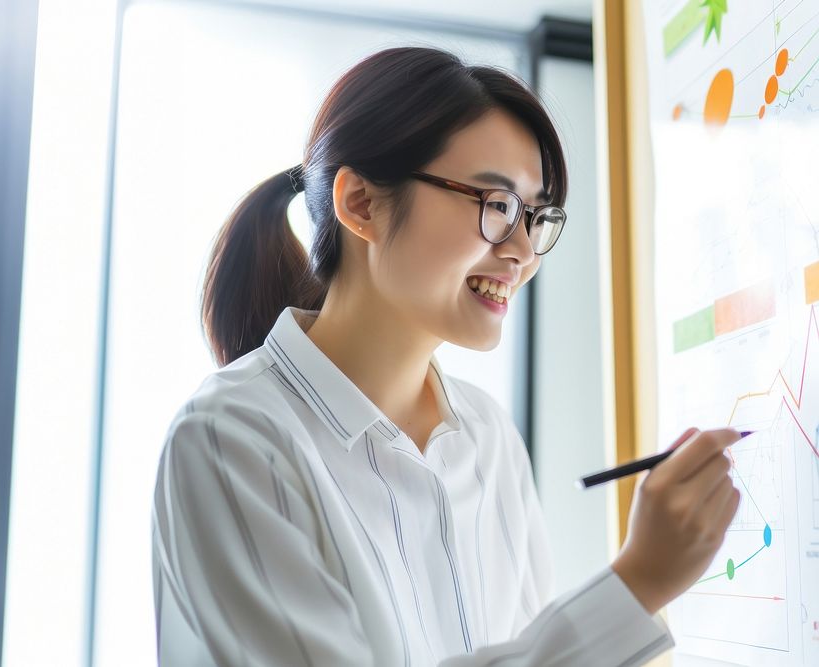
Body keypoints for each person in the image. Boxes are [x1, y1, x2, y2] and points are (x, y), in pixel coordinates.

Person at [151, 46, 741, 666]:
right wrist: (636, 584)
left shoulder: (488, 437)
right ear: (362, 205)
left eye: (535, 216)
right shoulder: (231, 439)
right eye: (495, 205)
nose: (521, 250)